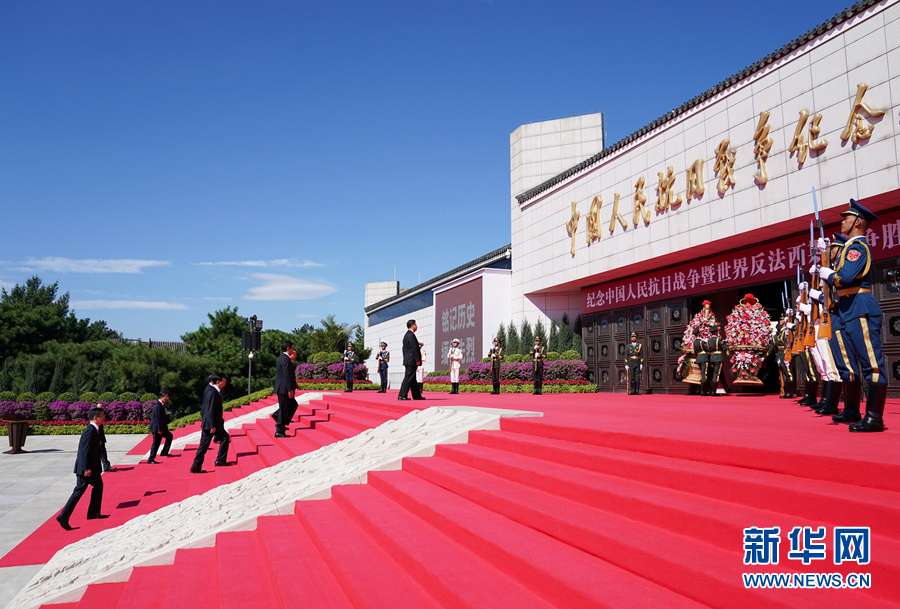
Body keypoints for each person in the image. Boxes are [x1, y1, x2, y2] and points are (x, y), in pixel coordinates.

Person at [814, 199, 887, 432]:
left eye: (847, 218)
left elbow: (845, 277)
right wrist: (825, 256)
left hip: (860, 307)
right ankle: (854, 410)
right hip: (849, 307)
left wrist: (829, 274)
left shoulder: (858, 247)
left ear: (857, 222)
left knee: (871, 365)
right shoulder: (849, 248)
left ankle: (874, 417)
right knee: (855, 364)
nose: (843, 221)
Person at [812, 235, 849, 416]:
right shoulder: (830, 270)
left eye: (832, 248)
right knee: (824, 365)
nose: (831, 251)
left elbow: (832, 295)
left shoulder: (839, 269)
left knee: (833, 365)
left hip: (835, 318)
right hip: (824, 320)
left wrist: (819, 297)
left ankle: (833, 403)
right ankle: (827, 400)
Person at [56, 406, 107, 530]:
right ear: (96, 418)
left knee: (99, 486)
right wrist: (85, 468)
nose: (104, 418)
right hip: (86, 469)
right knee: (78, 491)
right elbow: (83, 451)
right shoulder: (90, 431)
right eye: (102, 416)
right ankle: (63, 516)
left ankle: (93, 512)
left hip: (94, 469)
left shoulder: (95, 429)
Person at [190, 374, 231, 473]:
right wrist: (212, 425)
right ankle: (218, 461)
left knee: (205, 445)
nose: (225, 382)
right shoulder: (213, 392)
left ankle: (196, 466)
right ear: (218, 382)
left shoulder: (214, 391)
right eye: (224, 380)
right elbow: (210, 410)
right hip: (212, 424)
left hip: (211, 423)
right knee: (221, 439)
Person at [273, 341, 297, 438]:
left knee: (292, 405)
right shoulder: (286, 359)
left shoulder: (281, 358)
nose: (292, 350)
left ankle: (280, 422)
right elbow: (286, 375)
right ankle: (279, 430)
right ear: (288, 348)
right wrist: (289, 389)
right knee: (284, 409)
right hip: (284, 388)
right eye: (292, 348)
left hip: (281, 387)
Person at [398, 320, 424, 401]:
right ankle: (402, 395)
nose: (416, 326)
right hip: (412, 360)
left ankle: (417, 395)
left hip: (408, 360)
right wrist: (417, 359)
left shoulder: (406, 335)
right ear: (412, 325)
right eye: (415, 324)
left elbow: (404, 349)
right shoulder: (411, 335)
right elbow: (414, 348)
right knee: (408, 378)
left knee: (412, 379)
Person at [146, 391, 172, 464]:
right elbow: (157, 419)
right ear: (161, 397)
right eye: (166, 397)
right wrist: (159, 429)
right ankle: (151, 459)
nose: (167, 399)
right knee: (156, 443)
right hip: (157, 428)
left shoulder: (161, 405)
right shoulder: (158, 406)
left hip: (161, 428)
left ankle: (164, 452)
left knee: (169, 436)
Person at [772, 315, 795, 398]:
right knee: (785, 374)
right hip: (781, 354)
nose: (780, 321)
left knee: (789, 373)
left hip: (785, 353)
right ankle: (786, 391)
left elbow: (787, 343)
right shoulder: (782, 331)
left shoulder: (786, 331)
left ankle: (790, 392)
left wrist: (786, 354)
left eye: (781, 320)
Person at [706, 324, 726, 396]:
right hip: (718, 358)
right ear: (716, 331)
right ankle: (713, 392)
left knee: (717, 374)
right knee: (716, 375)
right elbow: (724, 348)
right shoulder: (718, 340)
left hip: (712, 358)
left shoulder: (708, 341)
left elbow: (708, 350)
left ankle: (726, 388)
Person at [625, 331, 643, 395]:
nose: (633, 338)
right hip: (631, 362)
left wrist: (641, 363)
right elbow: (626, 356)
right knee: (632, 376)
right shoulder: (628, 346)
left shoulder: (639, 346)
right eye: (632, 337)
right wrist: (626, 364)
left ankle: (637, 390)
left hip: (637, 361)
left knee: (637, 377)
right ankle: (632, 390)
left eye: (634, 337)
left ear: (636, 338)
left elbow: (641, 355)